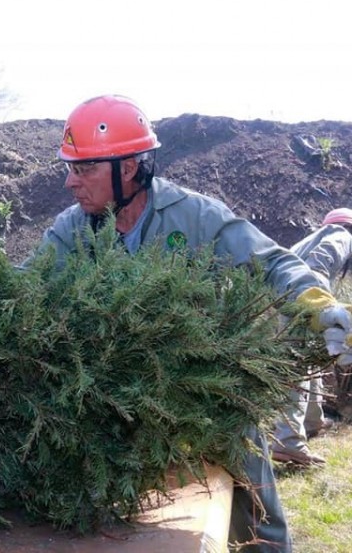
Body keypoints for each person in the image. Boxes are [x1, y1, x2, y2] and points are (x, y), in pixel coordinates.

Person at [21, 95, 352, 553]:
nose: (70, 181)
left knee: (257, 514)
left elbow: (273, 263)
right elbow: (22, 285)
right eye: (71, 168)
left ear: (130, 167)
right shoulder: (71, 230)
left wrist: (316, 302)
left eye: (85, 169)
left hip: (206, 395)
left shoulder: (194, 217)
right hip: (114, 400)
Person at [271, 208, 352, 466]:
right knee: (297, 369)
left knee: (309, 365)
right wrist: (322, 306)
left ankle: (312, 422)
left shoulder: (304, 243)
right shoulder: (341, 234)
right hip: (303, 302)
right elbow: (318, 263)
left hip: (286, 301)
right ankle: (289, 443)